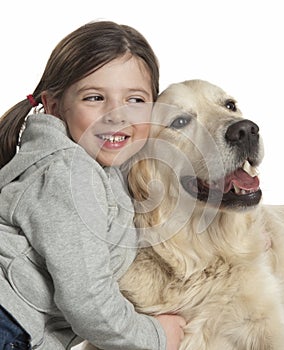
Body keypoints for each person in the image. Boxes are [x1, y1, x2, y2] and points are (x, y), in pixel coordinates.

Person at [0, 21, 186, 350]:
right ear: (55, 106)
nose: (116, 115)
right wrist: (156, 337)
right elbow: (87, 301)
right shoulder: (68, 175)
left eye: (135, 100)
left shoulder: (104, 167)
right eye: (95, 97)